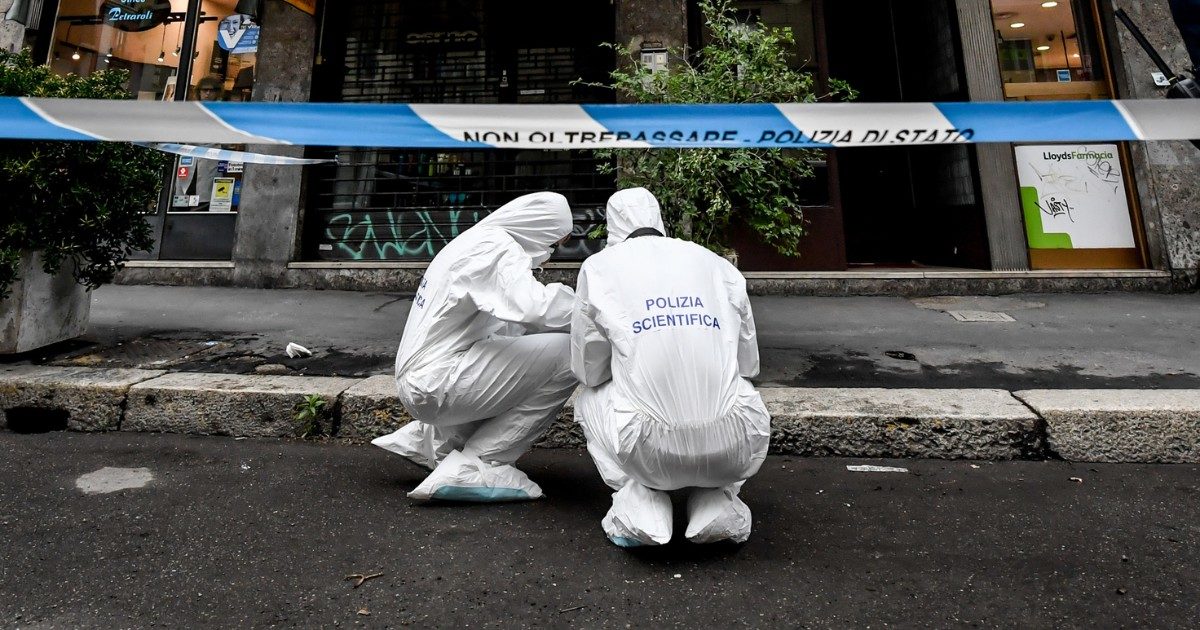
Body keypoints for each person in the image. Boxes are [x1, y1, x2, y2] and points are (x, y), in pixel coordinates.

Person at [570, 188, 771, 547]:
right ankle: (716, 502)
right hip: (732, 444)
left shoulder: (599, 268)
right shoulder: (714, 263)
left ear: (613, 224)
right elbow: (748, 364)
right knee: (739, 391)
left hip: (648, 450)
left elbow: (590, 370)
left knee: (587, 396)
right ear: (658, 218)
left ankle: (640, 503)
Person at [373, 192, 578, 502]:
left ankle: (440, 443)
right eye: (553, 243)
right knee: (569, 354)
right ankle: (482, 461)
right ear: (539, 229)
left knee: (515, 337)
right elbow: (536, 306)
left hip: (425, 380)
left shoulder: (475, 241)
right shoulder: (495, 248)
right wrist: (595, 309)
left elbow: (515, 322)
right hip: (436, 383)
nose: (551, 254)